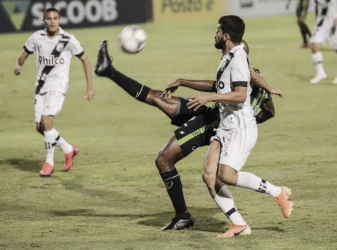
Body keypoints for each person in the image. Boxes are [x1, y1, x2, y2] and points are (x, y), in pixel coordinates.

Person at [94, 39, 282, 231]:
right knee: (158, 97)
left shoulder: (243, 69)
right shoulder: (240, 68)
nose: (223, 52)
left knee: (164, 160)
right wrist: (184, 82)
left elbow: (247, 90)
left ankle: (184, 216)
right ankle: (108, 70)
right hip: (209, 113)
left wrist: (243, 125)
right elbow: (268, 110)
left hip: (211, 124)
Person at [184, 15, 293, 238]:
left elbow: (241, 95)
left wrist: (208, 98)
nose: (215, 33)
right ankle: (239, 224)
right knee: (209, 176)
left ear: (226, 35)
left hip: (240, 128)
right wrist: (268, 86)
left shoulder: (238, 57)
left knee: (227, 176)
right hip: (225, 127)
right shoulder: (230, 56)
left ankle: (278, 192)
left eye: (217, 30)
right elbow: (253, 76)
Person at [14, 8, 94, 177]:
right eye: (49, 19)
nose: (52, 21)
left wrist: (89, 87)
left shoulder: (68, 39)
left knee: (47, 121)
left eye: (55, 18)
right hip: (40, 86)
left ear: (60, 20)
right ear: (44, 21)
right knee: (40, 127)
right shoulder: (37, 37)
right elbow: (24, 54)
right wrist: (18, 65)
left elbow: (85, 60)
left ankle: (49, 163)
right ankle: (68, 148)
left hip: (58, 85)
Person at [309, 0, 337, 84]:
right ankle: (320, 73)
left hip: (334, 22)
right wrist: (317, 18)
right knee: (314, 45)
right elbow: (317, 6)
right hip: (322, 22)